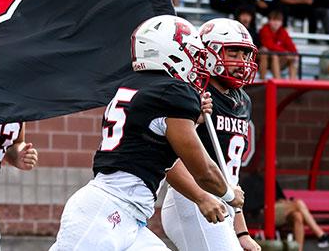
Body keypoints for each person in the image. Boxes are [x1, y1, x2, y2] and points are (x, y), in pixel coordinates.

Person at [51, 16, 243, 250]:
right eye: (192, 54)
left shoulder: (136, 85)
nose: (197, 63)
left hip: (130, 216)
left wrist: (193, 118)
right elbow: (203, 171)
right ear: (172, 52)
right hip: (107, 209)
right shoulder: (172, 91)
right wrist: (229, 195)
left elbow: (156, 139)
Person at [161, 18, 261, 251]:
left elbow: (231, 176)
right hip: (192, 199)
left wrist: (242, 231)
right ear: (208, 54)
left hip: (223, 199)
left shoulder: (242, 100)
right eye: (233, 53)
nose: (242, 62)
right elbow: (168, 162)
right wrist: (200, 197)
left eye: (245, 55)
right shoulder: (194, 93)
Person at [258, 10, 298, 80]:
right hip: (263, 59)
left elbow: (292, 47)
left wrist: (293, 54)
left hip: (279, 59)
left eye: (278, 20)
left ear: (281, 22)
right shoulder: (264, 29)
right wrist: (285, 52)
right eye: (274, 20)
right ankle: (276, 80)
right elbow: (269, 45)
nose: (276, 23)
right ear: (269, 21)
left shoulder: (283, 31)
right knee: (274, 55)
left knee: (294, 58)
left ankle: (293, 81)